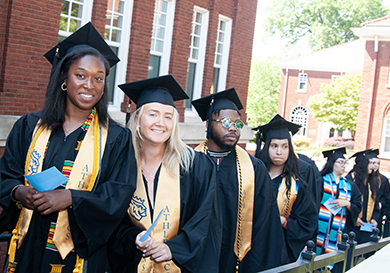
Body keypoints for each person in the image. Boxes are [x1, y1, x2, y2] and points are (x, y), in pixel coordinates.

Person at [0, 22, 136, 272]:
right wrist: (20, 192)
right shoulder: (29, 126)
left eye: (98, 78)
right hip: (28, 245)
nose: (90, 85)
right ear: (64, 77)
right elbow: (6, 174)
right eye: (80, 75)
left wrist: (71, 198)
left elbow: (118, 194)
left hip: (79, 256)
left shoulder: (116, 138)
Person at [107, 75, 220, 273]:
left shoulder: (195, 166)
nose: (161, 123)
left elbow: (206, 220)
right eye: (153, 114)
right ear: (137, 118)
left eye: (168, 116)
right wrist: (133, 237)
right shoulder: (119, 165)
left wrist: (173, 249)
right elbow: (110, 220)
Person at [191, 89, 288, 272]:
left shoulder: (254, 168)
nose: (233, 128)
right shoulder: (189, 164)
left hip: (239, 264)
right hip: (195, 259)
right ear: (208, 124)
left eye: (238, 123)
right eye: (226, 122)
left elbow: (265, 224)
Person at [254, 114, 318, 263]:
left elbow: (309, 222)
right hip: (249, 244)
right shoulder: (253, 177)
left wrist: (285, 222)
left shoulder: (297, 185)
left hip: (278, 248)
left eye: (284, 146)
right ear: (266, 147)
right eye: (274, 146)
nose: (279, 152)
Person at [316, 147, 362, 255]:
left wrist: (347, 203)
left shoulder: (349, 186)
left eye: (345, 163)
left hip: (339, 229)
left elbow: (357, 205)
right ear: (332, 163)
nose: (343, 165)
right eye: (340, 162)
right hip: (319, 227)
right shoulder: (320, 181)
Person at [345, 149, 381, 244]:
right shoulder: (349, 180)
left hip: (366, 227)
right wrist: (354, 218)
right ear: (363, 164)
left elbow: (376, 205)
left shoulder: (373, 182)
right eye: (370, 163)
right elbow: (346, 203)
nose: (373, 166)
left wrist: (374, 219)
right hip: (351, 225)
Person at [369, 149, 390, 237]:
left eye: (378, 163)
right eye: (373, 163)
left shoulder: (383, 179)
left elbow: (387, 196)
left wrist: (380, 204)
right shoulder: (364, 179)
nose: (375, 165)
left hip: (376, 213)